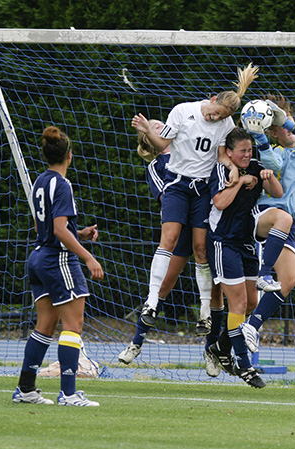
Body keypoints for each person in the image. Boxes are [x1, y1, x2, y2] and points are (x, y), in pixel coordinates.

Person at [130, 63, 258, 335]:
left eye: (219, 117)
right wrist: (146, 128)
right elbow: (163, 145)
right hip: (178, 185)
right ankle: (151, 304)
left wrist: (233, 167)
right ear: (211, 100)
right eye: (213, 113)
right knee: (169, 239)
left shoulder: (224, 124)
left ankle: (204, 314)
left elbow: (222, 155)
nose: (213, 119)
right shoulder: (182, 111)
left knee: (201, 249)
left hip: (201, 190)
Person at [117, 120, 226, 376]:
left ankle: (211, 350)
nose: (163, 126)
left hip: (203, 227)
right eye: (156, 127)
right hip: (180, 232)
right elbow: (168, 198)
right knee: (164, 285)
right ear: (149, 140)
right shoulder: (157, 166)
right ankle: (136, 342)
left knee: (216, 293)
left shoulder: (190, 147)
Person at [12, 126, 104, 407]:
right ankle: (68, 393)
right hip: (58, 259)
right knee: (73, 325)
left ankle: (26, 389)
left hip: (38, 256)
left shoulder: (41, 180)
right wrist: (88, 257)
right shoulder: (62, 185)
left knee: (45, 324)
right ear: (70, 155)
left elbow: (55, 228)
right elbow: (60, 230)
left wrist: (81, 233)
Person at [237, 93, 295, 353]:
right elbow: (272, 166)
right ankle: (263, 275)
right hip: (263, 216)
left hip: (286, 224)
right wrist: (261, 137)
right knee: (246, 290)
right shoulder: (270, 151)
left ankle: (251, 326)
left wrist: (288, 123)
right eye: (282, 128)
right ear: (274, 133)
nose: (289, 130)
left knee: (289, 281)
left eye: (291, 124)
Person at [205, 127, 282, 388]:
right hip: (223, 241)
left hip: (246, 241)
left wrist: (267, 177)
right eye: (242, 151)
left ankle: (220, 346)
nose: (248, 154)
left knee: (250, 303)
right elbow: (220, 203)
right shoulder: (222, 170)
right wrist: (239, 181)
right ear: (229, 152)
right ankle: (244, 365)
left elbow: (278, 192)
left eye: (250, 150)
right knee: (237, 304)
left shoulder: (256, 165)